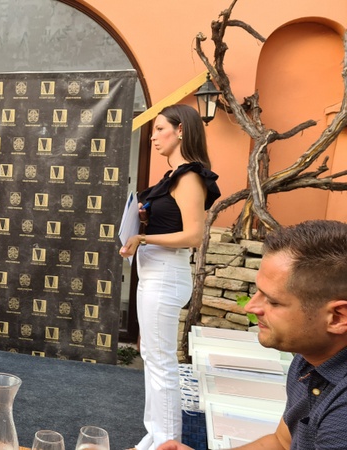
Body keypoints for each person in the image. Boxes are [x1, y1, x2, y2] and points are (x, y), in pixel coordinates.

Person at [158, 220, 347, 450]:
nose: (250, 307)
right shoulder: (309, 360)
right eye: (258, 292)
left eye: (273, 301)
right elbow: (281, 442)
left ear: (338, 317)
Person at [119, 104, 221, 450]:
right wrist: (147, 221)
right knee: (151, 356)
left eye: (160, 129)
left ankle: (166, 441)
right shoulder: (174, 177)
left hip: (164, 274)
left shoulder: (190, 177)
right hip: (154, 272)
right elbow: (173, 224)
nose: (153, 137)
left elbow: (194, 235)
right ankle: (154, 435)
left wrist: (143, 238)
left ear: (181, 130)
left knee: (161, 361)